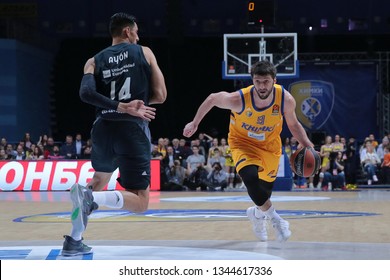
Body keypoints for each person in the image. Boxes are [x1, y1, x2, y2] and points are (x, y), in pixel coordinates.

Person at [62, 12, 167, 256]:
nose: (138, 37)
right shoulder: (145, 52)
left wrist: (117, 105)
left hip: (102, 128)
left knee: (98, 180)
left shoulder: (93, 61)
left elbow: (86, 94)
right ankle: (95, 201)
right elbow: (161, 96)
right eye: (137, 32)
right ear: (127, 32)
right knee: (140, 201)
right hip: (131, 129)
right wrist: (132, 106)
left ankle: (74, 240)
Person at [183, 60, 314, 242]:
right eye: (257, 81)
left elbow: (293, 124)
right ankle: (277, 220)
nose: (261, 86)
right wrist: (195, 122)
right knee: (250, 178)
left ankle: (257, 215)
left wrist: (306, 143)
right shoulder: (239, 99)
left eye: (266, 81)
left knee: (264, 193)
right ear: (252, 80)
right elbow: (213, 98)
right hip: (242, 143)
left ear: (274, 80)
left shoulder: (285, 99)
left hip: (269, 147)